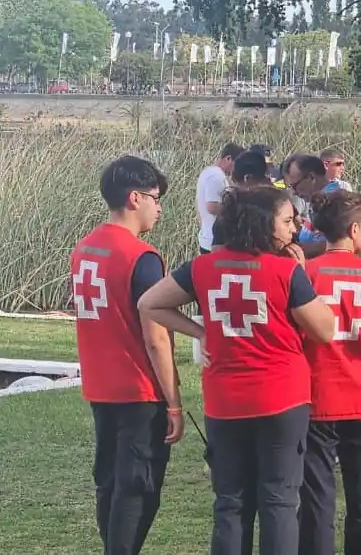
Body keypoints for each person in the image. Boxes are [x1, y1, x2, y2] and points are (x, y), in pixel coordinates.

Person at [138, 185, 335, 555]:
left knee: (230, 504)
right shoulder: (285, 270)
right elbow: (324, 330)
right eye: (288, 221)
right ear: (264, 224)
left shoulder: (202, 266)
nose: (295, 230)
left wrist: (201, 331)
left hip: (225, 402)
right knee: (279, 503)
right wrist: (300, 273)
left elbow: (149, 303)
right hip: (282, 400)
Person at [70, 155, 179, 555]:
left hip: (100, 384)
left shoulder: (84, 247)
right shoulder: (141, 257)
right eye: (155, 197)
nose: (159, 206)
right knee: (138, 487)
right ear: (134, 198)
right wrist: (174, 402)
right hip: (138, 388)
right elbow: (156, 339)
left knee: (110, 482)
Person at [299, 190, 361, 555]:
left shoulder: (304, 273)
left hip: (316, 395)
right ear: (354, 230)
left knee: (317, 501)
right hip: (358, 395)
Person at [197, 143, 245, 254]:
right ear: (228, 159)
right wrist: (236, 209)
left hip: (207, 237)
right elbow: (212, 206)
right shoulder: (217, 176)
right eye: (236, 165)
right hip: (214, 242)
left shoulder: (207, 172)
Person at [283, 154, 331, 256]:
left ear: (311, 178)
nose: (293, 192)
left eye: (294, 186)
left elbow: (346, 243)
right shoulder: (314, 201)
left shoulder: (337, 203)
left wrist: (309, 249)